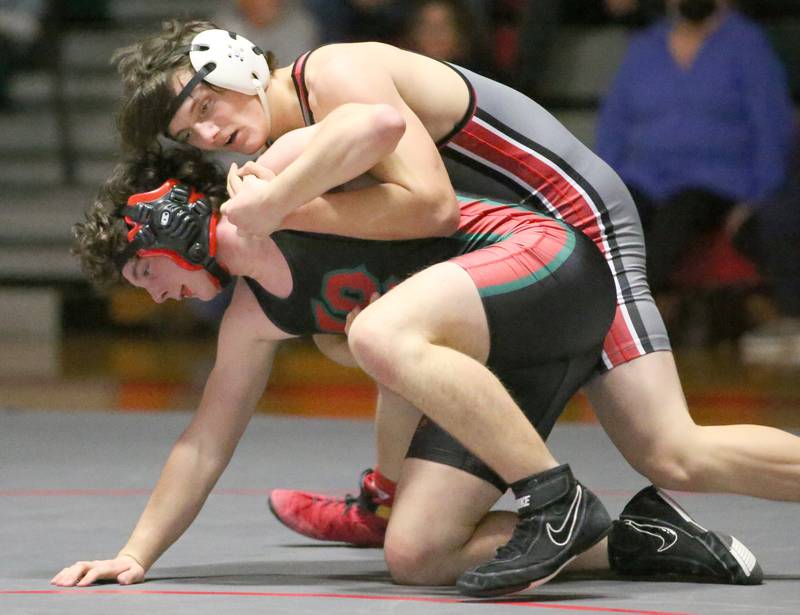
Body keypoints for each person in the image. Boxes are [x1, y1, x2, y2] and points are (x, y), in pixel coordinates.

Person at [109, 19, 800, 584]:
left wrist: (280, 204)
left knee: (673, 451)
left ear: (234, 61)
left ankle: (541, 498)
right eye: (187, 133)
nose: (205, 136)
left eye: (204, 106)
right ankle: (418, 500)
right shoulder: (289, 148)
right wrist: (136, 552)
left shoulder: (332, 74)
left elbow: (433, 207)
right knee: (362, 348)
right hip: (488, 262)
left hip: (565, 221)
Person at [53, 138, 761, 593]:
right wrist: (135, 551)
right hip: (495, 355)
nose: (154, 293)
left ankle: (553, 495)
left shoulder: (286, 187)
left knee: (375, 333)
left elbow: (375, 118)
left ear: (172, 220)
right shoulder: (252, 318)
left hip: (546, 265)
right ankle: (641, 538)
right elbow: (205, 440)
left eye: (145, 271)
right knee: (417, 554)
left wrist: (281, 157)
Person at [595, 0, 794, 301]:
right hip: (645, 177)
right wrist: (602, 187)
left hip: (715, 182)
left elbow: (771, 128)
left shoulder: (747, 45)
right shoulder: (645, 47)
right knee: (613, 217)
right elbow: (613, 125)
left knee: (676, 218)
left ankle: (627, 322)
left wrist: (758, 197)